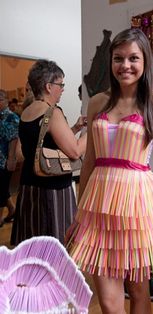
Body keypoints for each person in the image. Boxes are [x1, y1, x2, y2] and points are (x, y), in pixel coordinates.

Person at [65, 28, 153, 314]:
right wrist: (80, 214)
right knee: (109, 302)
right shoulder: (97, 102)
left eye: (133, 58)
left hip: (137, 207)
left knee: (138, 291)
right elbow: (89, 159)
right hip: (98, 207)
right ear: (111, 61)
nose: (125, 65)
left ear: (144, 62)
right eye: (118, 58)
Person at [11, 59, 87, 245]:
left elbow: (47, 141)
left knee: (34, 243)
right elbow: (75, 151)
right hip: (53, 190)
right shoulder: (52, 112)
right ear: (48, 86)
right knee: (55, 246)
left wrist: (76, 128)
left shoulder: (28, 111)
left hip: (29, 187)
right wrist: (93, 128)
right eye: (60, 84)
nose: (62, 89)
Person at [0, 89, 19, 227]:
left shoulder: (10, 117)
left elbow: (14, 139)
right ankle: (12, 209)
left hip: (5, 160)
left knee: (0, 189)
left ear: (5, 101)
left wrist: (11, 159)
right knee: (2, 188)